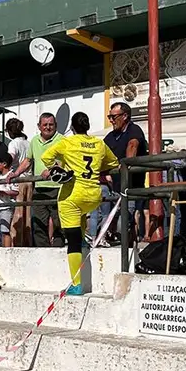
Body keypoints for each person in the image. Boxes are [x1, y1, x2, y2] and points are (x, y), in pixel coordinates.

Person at [41, 112, 119, 295]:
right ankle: (84, 242)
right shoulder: (99, 143)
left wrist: (56, 168)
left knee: (73, 241)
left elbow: (46, 157)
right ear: (88, 126)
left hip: (73, 195)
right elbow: (113, 162)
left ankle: (76, 284)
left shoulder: (67, 142)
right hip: (93, 195)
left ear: (72, 127)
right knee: (82, 219)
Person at [102, 102, 149, 244]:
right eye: (109, 117)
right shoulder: (111, 136)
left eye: (113, 117)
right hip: (115, 187)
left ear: (125, 116)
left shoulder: (134, 130)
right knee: (110, 217)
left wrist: (126, 164)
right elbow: (101, 152)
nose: (111, 120)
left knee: (126, 219)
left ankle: (129, 247)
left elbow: (132, 145)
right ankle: (121, 242)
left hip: (131, 186)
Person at [29, 113, 64, 247]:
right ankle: (42, 251)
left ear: (56, 126)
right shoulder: (34, 141)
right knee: (38, 223)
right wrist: (15, 174)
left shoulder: (62, 140)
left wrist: (52, 170)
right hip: (39, 188)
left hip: (58, 187)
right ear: (39, 126)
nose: (48, 127)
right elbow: (28, 160)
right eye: (45, 124)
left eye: (51, 124)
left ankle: (58, 250)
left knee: (59, 224)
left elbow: (65, 160)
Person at [0, 154, 18, 247]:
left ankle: (6, 251)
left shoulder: (11, 175)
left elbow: (16, 192)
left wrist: (4, 192)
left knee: (5, 231)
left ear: (4, 164)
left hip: (7, 207)